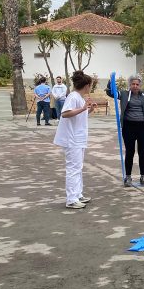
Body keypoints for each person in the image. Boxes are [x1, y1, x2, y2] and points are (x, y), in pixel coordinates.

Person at [105, 74, 144, 187]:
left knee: (142, 152)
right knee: (130, 152)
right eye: (133, 84)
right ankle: (128, 177)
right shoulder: (124, 94)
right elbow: (111, 93)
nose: (135, 86)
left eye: (137, 84)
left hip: (143, 127)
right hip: (128, 127)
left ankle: (143, 176)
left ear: (140, 85)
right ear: (129, 85)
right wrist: (110, 82)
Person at [53, 70, 96, 209]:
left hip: (78, 138)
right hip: (72, 139)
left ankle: (78, 194)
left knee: (78, 167)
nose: (91, 88)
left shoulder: (79, 97)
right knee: (73, 168)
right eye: (91, 85)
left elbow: (78, 116)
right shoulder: (73, 96)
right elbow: (65, 113)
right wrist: (83, 107)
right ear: (87, 85)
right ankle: (71, 199)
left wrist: (88, 110)